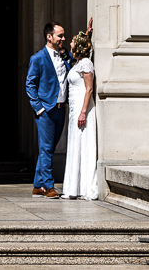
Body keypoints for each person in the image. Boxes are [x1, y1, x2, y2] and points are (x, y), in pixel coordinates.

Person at [25, 21, 72, 198]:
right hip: (46, 111)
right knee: (45, 149)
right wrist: (39, 109)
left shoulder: (65, 55)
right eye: (60, 35)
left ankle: (38, 185)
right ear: (49, 36)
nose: (63, 39)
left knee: (49, 149)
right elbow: (30, 84)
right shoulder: (37, 58)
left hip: (61, 109)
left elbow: (79, 55)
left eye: (64, 35)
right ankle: (49, 186)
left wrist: (87, 36)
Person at [63, 17, 98, 200]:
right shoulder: (79, 62)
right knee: (75, 143)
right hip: (75, 108)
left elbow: (89, 89)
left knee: (82, 144)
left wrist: (83, 111)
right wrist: (87, 32)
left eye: (72, 41)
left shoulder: (85, 64)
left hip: (82, 109)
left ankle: (82, 187)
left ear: (78, 46)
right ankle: (73, 187)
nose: (69, 42)